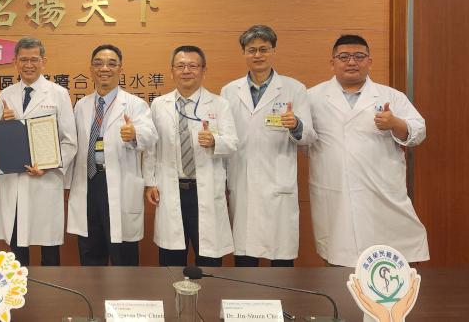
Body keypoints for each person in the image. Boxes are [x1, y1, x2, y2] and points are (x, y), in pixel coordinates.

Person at [308, 35, 428, 267]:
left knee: (389, 262)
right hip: (334, 190)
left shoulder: (391, 96)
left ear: (369, 62)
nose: (351, 62)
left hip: (380, 192)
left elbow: (419, 131)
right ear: (332, 63)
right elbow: (302, 137)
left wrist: (395, 123)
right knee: (338, 261)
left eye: (359, 56)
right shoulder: (312, 97)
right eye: (344, 57)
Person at [220, 25, 316, 267]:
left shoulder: (294, 89)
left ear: (273, 51)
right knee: (245, 257)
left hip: (277, 182)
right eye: (251, 50)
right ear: (243, 53)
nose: (258, 55)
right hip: (241, 180)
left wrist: (296, 125)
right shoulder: (229, 91)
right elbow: (225, 138)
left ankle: (280, 294)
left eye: (263, 49)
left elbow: (309, 137)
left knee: (280, 256)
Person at [144, 45, 237, 267]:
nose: (186, 71)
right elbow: (151, 148)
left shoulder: (219, 104)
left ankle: (208, 292)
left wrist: (215, 141)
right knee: (171, 260)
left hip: (204, 190)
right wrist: (150, 182)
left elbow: (233, 143)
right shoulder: (159, 104)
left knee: (208, 260)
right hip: (170, 189)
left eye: (193, 66)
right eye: (181, 66)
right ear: (172, 71)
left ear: (204, 70)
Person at [0, 37, 77, 266]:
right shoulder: (6, 94)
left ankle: (51, 288)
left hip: (45, 180)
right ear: (15, 62)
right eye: (23, 60)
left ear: (43, 61)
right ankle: (20, 288)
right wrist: (4, 124)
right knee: (17, 246)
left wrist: (49, 166)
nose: (28, 65)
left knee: (49, 247)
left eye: (34, 59)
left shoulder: (58, 93)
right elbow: (0, 139)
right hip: (14, 181)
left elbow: (70, 141)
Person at [67, 44, 156, 266]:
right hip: (88, 183)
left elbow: (151, 136)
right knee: (90, 251)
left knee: (122, 254)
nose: (104, 68)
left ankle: (125, 290)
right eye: (98, 63)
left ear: (120, 69)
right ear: (91, 69)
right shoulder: (81, 105)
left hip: (118, 182)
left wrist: (134, 134)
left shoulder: (135, 104)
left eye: (111, 64)